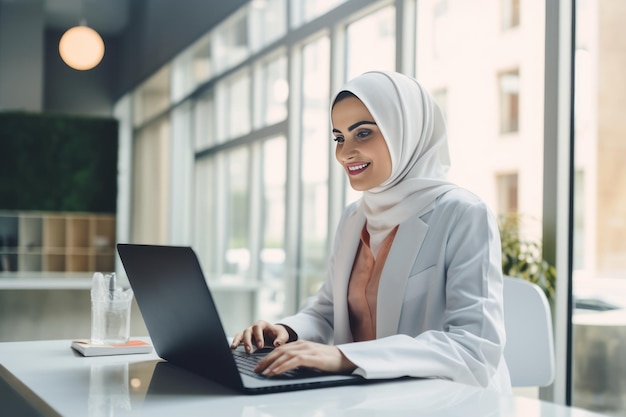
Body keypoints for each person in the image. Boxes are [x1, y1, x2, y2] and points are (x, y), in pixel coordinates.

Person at [231, 70, 512, 393]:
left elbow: (474, 347)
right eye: (339, 137)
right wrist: (286, 330)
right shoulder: (355, 217)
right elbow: (327, 311)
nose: (344, 153)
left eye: (362, 133)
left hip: (449, 402)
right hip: (366, 398)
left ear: (402, 132)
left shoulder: (463, 213)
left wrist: (344, 356)